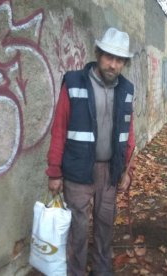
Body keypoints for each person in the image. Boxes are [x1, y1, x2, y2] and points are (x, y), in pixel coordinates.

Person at [45, 27, 136, 276]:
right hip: (78, 170)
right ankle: (75, 271)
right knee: (79, 228)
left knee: (106, 225)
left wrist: (127, 170)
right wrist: (54, 172)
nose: (113, 64)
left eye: (119, 60)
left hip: (111, 171)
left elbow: (129, 133)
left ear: (124, 63)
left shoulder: (126, 90)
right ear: (98, 54)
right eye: (109, 57)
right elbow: (59, 128)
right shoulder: (74, 82)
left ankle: (101, 270)